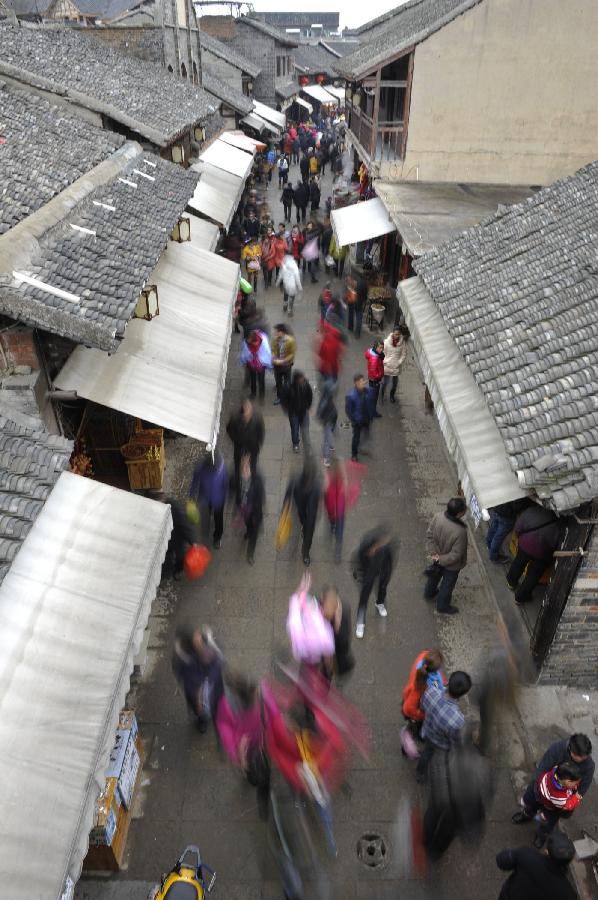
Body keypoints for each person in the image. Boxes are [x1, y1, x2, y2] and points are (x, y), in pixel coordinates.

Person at [415, 671, 472, 782]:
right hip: (441, 744)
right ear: (463, 694)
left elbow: (422, 707)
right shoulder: (458, 720)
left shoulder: (431, 691)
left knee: (426, 753)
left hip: (427, 732)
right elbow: (455, 740)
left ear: (448, 681)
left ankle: (420, 774)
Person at [512, 761, 582, 847]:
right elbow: (567, 805)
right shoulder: (560, 797)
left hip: (539, 793)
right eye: (575, 783)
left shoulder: (556, 770)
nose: (577, 785)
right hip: (551, 807)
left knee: (531, 807)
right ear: (567, 782)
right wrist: (576, 798)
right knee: (548, 822)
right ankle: (536, 827)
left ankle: (535, 827)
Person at [495, 831, 578, 900]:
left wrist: (514, 854)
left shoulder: (526, 855)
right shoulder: (568, 894)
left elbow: (501, 861)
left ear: (547, 851)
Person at [507, 505, 564, 604]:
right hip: (542, 553)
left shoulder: (532, 510)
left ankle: (511, 582)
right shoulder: (559, 524)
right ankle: (520, 598)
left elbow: (518, 526)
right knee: (533, 575)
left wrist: (519, 536)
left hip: (525, 544)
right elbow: (556, 544)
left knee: (519, 562)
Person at [172, 624, 224, 732]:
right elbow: (184, 676)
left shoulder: (208, 647)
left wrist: (210, 641)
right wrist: (198, 694)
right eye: (197, 639)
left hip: (213, 688)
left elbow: (220, 661)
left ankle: (213, 717)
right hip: (198, 696)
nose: (200, 639)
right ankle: (203, 721)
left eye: (199, 637)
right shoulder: (187, 660)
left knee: (215, 705)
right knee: (201, 711)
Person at [424, 497, 468, 614]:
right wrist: (441, 559)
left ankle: (429, 593)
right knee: (447, 586)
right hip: (451, 566)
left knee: (434, 576)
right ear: (459, 513)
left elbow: (429, 535)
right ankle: (442, 606)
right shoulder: (460, 532)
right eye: (464, 509)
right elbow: (457, 554)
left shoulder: (438, 516)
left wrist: (435, 555)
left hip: (437, 557)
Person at [353, 525, 396, 638]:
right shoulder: (364, 548)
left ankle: (379, 603)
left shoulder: (387, 547)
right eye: (382, 542)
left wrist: (386, 577)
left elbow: (390, 562)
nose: (385, 543)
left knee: (382, 589)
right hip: (367, 574)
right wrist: (361, 577)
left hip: (381, 571)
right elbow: (357, 563)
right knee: (364, 598)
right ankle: (360, 622)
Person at [284, 456, 322, 566]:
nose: (310, 482)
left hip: (311, 516)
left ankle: (305, 553)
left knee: (308, 535)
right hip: (298, 510)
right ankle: (295, 545)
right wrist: (285, 509)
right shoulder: (295, 479)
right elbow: (287, 495)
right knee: (296, 530)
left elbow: (318, 500)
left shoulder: (316, 485)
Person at [226, 399, 265, 503]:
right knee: (238, 472)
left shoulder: (257, 419)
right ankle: (238, 494)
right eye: (247, 410)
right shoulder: (235, 419)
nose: (249, 412)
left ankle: (251, 493)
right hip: (240, 452)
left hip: (252, 452)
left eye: (250, 409)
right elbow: (229, 431)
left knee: (252, 471)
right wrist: (238, 441)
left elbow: (261, 434)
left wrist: (257, 445)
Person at [534, 733, 594, 799]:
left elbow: (585, 784)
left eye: (586, 756)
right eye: (581, 757)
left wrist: (577, 796)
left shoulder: (589, 765)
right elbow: (541, 770)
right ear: (572, 751)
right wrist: (537, 794)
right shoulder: (557, 749)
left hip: (566, 792)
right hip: (551, 779)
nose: (585, 759)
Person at [189, 450, 228, 549]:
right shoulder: (200, 468)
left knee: (218, 519)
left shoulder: (220, 465)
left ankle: (217, 537)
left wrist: (225, 494)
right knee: (205, 518)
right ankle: (205, 537)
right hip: (205, 498)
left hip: (218, 499)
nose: (215, 470)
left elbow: (225, 481)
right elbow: (195, 482)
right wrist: (191, 496)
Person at [402, 649, 446, 735]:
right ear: (435, 671)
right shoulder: (419, 689)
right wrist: (425, 716)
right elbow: (408, 709)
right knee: (417, 728)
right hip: (418, 712)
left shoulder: (424, 656)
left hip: (410, 698)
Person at [320, 585, 354, 680]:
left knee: (326, 677)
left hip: (333, 658)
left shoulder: (343, 617)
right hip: (320, 653)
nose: (324, 613)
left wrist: (336, 629)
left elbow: (344, 646)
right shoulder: (319, 604)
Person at [236, 453, 265, 565]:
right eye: (243, 468)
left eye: (247, 467)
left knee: (254, 532)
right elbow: (235, 492)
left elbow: (261, 496)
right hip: (244, 509)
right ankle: (248, 531)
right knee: (248, 525)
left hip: (255, 511)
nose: (245, 471)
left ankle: (250, 553)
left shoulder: (257, 479)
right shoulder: (238, 479)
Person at [161, 495, 197, 580]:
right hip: (168, 540)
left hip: (178, 539)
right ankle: (168, 571)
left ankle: (177, 570)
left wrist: (193, 542)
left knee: (180, 557)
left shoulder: (174, 507)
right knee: (168, 556)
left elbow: (185, 525)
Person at [280, 369, 313, 453]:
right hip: (293, 412)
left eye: (303, 378)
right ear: (296, 379)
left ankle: (307, 445)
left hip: (304, 411)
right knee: (295, 429)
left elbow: (310, 396)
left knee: (305, 429)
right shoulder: (288, 386)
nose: (302, 379)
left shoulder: (306, 385)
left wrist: (308, 406)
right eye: (301, 378)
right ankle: (296, 444)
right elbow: (283, 399)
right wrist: (287, 409)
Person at [324, 456, 347, 562]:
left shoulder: (339, 474)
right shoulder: (329, 474)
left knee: (340, 528)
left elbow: (345, 485)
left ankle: (338, 549)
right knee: (332, 518)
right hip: (331, 503)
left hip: (339, 505)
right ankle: (333, 525)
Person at [240, 327, 272, 400]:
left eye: (251, 341)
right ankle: (253, 393)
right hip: (251, 364)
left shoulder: (263, 341)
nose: (249, 342)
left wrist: (262, 361)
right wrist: (245, 359)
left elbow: (266, 352)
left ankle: (261, 395)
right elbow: (245, 351)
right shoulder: (247, 342)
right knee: (253, 379)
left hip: (261, 364)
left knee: (261, 380)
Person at [345, 373, 370, 462]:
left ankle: (360, 447)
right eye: (361, 381)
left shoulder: (366, 390)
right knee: (356, 438)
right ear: (356, 383)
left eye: (363, 380)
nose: (363, 382)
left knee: (367, 434)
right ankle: (354, 454)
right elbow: (348, 411)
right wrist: (354, 420)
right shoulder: (351, 396)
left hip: (366, 418)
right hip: (357, 421)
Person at [380, 326, 407, 403]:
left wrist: (399, 362)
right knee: (385, 382)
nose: (396, 336)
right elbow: (382, 352)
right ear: (392, 333)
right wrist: (385, 361)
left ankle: (392, 396)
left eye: (398, 334)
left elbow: (404, 354)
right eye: (395, 334)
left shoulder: (403, 343)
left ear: (400, 334)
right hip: (387, 366)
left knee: (394, 384)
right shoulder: (386, 342)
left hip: (396, 368)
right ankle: (382, 395)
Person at [271, 322, 296, 405]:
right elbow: (273, 350)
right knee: (278, 382)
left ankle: (287, 397)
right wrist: (274, 357)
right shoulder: (275, 339)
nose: (276, 333)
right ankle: (280, 397)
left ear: (282, 332)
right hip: (277, 365)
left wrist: (283, 361)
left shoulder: (290, 341)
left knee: (287, 382)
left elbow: (292, 354)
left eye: (277, 331)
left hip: (286, 365)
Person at [317, 318, 345, 388]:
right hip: (334, 365)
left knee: (327, 379)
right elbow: (340, 349)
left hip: (326, 367)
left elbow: (320, 354)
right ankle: (333, 385)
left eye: (320, 328)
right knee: (333, 377)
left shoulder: (324, 342)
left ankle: (328, 387)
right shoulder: (335, 336)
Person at [317, 376, 338, 466]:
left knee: (330, 435)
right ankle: (326, 458)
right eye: (332, 389)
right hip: (328, 421)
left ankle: (329, 447)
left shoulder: (328, 398)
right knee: (327, 439)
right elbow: (320, 412)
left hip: (332, 419)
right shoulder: (325, 400)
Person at [276, 249, 302, 316]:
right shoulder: (294, 264)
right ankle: (289, 310)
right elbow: (297, 276)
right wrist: (299, 286)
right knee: (292, 297)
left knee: (286, 294)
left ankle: (285, 305)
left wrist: (278, 282)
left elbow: (281, 274)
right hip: (292, 284)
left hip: (286, 283)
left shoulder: (284, 263)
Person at [365, 340, 385, 418]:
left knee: (372, 396)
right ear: (375, 347)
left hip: (372, 380)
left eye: (382, 348)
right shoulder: (375, 359)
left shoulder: (372, 353)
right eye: (380, 348)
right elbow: (374, 374)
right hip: (375, 381)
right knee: (374, 398)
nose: (381, 350)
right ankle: (372, 413)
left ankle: (371, 411)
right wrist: (381, 375)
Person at [348, 272, 367, 338]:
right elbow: (365, 295)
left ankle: (350, 327)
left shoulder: (354, 282)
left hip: (352, 300)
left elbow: (349, 290)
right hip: (359, 302)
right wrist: (364, 300)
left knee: (351, 313)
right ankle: (357, 334)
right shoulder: (364, 283)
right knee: (359, 316)